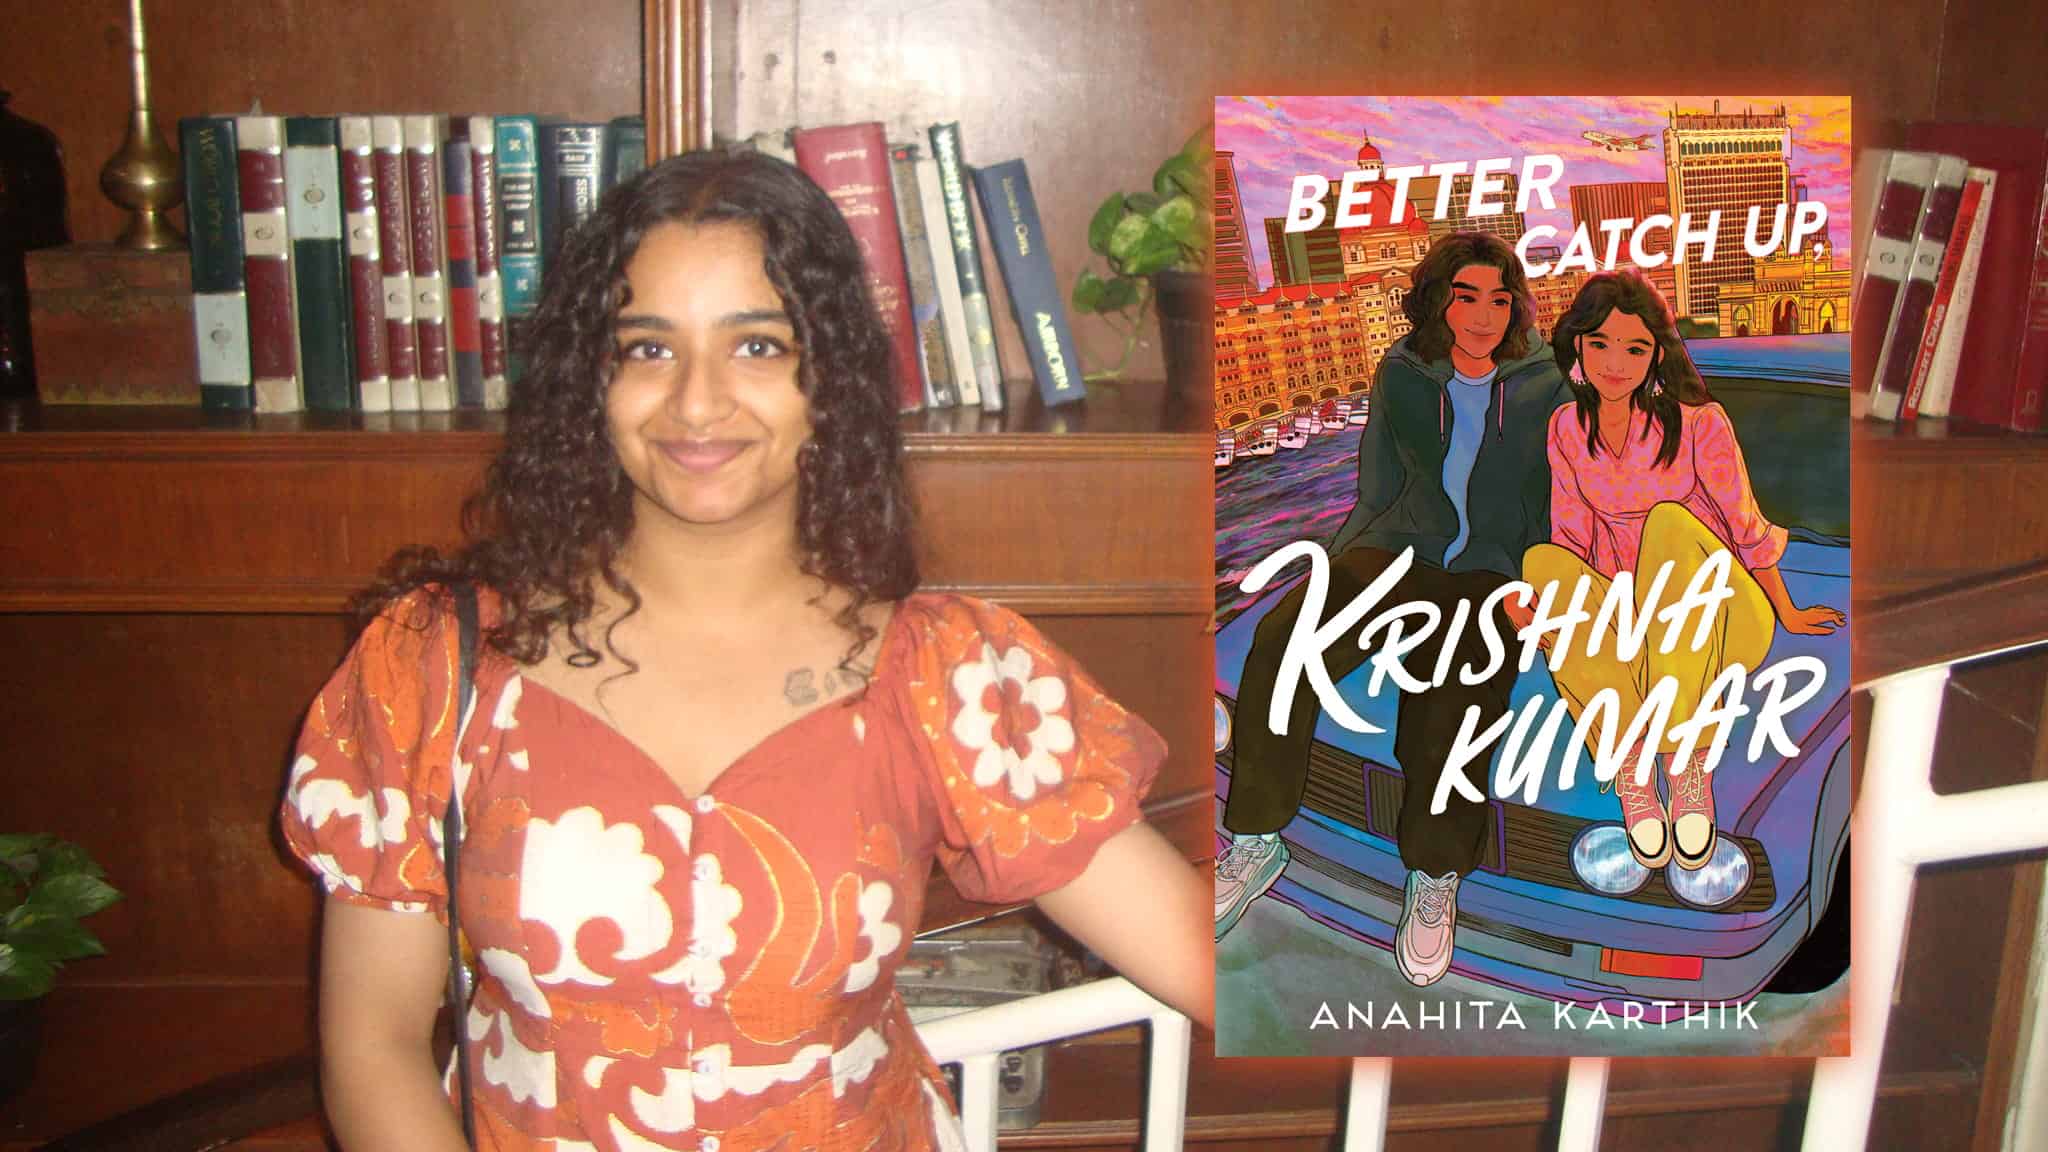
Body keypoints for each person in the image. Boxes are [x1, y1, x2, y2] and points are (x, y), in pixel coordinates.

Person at [279, 148, 1212, 1151]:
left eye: (757, 347)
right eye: (646, 349)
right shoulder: (433, 669)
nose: (696, 403)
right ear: (586, 380)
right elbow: (371, 1044)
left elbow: (1226, 965)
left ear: (829, 380)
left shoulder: (946, 675)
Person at [1214, 231, 1570, 988]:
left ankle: (1436, 878)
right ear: (1438, 299)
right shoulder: (1402, 372)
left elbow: (1559, 496)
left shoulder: (1546, 381)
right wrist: (1344, 566)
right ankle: (1256, 838)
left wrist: (1540, 581)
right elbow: (1376, 484)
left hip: (1493, 570)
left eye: (1499, 300)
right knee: (1284, 643)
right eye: (1466, 296)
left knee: (1454, 696)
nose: (1483, 315)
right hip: (1399, 549)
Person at [1517, 269, 1844, 873]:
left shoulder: (1699, 422)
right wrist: (1549, 605)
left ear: (1655, 357)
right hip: (1635, 623)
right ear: (1579, 350)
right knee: (1540, 561)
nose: (1617, 363)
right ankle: (1635, 768)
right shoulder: (1566, 429)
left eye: (1636, 348)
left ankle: (1688, 759)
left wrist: (1789, 611)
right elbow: (1571, 539)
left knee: (1668, 525)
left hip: (1723, 615)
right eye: (1602, 344)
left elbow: (1745, 524)